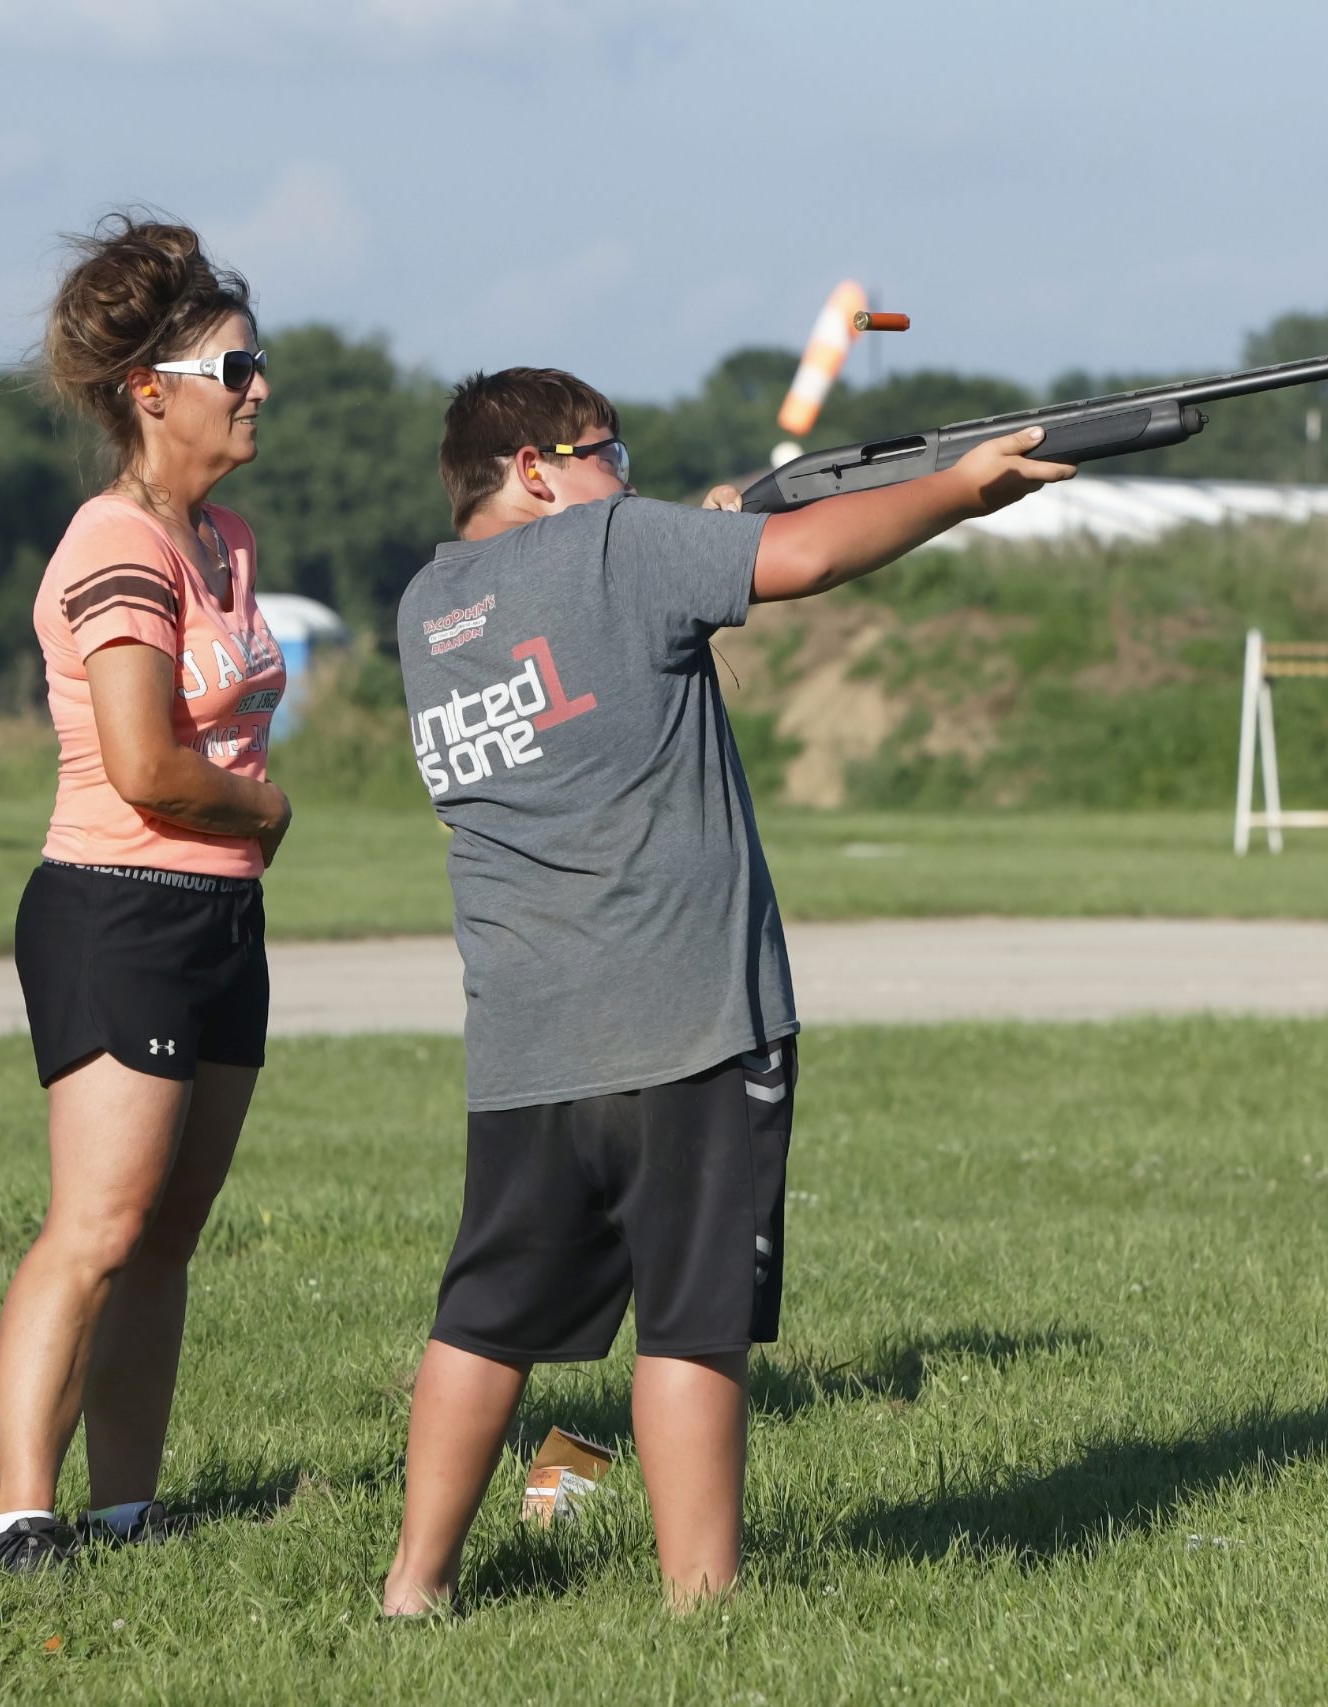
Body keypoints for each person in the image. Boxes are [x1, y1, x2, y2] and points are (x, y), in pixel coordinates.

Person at [380, 368, 1071, 1611]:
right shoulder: (614, 545)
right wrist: (959, 493)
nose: (623, 473)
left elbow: (600, 633)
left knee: (485, 1316)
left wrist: (676, 532)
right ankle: (703, 1609)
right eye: (607, 452)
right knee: (692, 1325)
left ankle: (414, 1587)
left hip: (530, 1035)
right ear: (537, 468)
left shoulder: (429, 605)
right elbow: (800, 560)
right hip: (689, 1017)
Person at [0, 216, 292, 1572]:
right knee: (98, 1224)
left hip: (219, 917)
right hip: (118, 906)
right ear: (149, 389)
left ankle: (127, 1505)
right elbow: (147, 762)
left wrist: (246, 840)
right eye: (237, 368)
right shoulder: (116, 543)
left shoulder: (223, 537)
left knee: (169, 1232)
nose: (260, 389)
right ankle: (22, 1513)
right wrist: (268, 807)